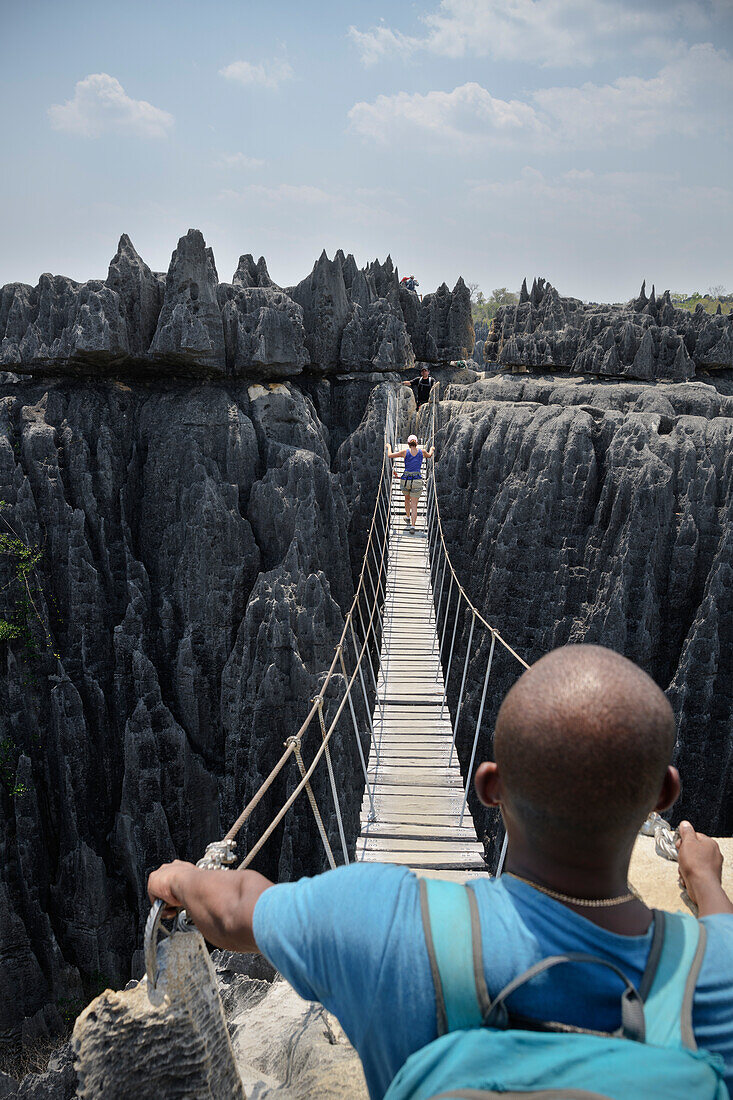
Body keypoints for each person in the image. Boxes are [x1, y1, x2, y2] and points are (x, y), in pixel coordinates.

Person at [148, 645, 733, 1100]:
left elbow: (233, 910)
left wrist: (176, 880)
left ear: (489, 788)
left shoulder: (384, 922)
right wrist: (705, 882)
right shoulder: (719, 972)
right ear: (664, 793)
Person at [387, 434, 433, 530]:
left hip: (406, 480)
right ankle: (413, 526)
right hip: (417, 481)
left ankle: (407, 517)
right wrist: (432, 449)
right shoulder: (422, 452)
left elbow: (390, 455)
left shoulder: (404, 452)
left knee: (407, 499)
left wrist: (389, 447)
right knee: (414, 505)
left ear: (408, 443)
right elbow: (429, 455)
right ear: (417, 443)